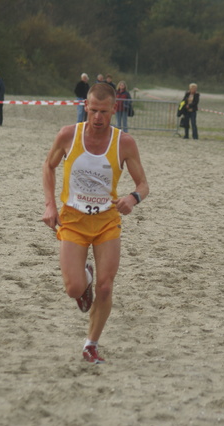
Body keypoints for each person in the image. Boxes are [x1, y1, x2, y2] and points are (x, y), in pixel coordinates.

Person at [42, 83, 149, 364]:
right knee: (74, 289)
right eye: (93, 110)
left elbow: (143, 184)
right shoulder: (68, 135)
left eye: (104, 111)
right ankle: (84, 277)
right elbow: (49, 166)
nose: (98, 117)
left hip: (106, 222)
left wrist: (133, 198)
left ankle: (91, 344)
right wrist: (50, 204)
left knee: (105, 287)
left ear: (114, 109)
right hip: (74, 220)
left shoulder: (124, 143)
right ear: (85, 107)